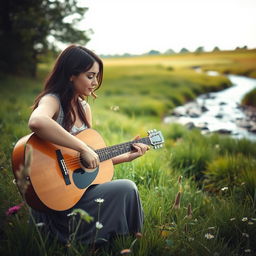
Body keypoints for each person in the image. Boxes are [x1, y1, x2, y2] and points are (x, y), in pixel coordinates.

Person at [28, 44, 149, 245]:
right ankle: (128, 242)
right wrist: (82, 147)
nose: (95, 82)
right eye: (90, 76)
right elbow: (37, 122)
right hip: (54, 198)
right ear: (71, 75)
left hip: (77, 193)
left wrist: (128, 156)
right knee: (128, 187)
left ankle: (126, 244)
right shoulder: (53, 100)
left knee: (126, 189)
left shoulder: (84, 107)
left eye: (97, 76)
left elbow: (91, 160)